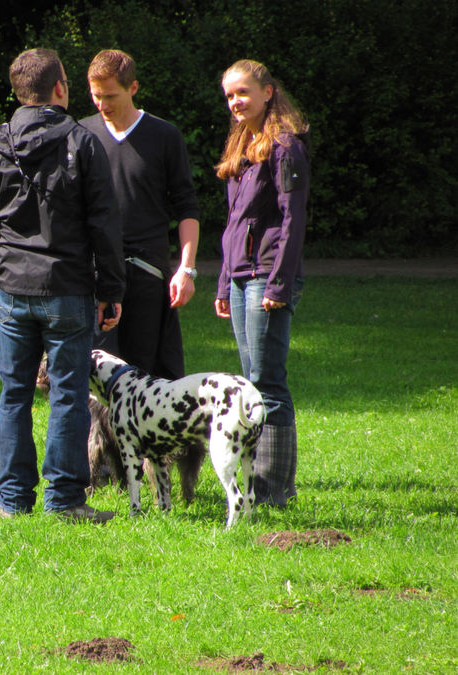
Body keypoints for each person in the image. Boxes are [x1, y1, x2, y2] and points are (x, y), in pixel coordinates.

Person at [0, 48, 126, 522]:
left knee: (15, 393)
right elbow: (104, 224)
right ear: (59, 88)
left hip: (14, 287)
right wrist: (111, 290)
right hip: (68, 287)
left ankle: (13, 502)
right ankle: (66, 501)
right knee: (68, 394)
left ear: (19, 92)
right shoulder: (81, 141)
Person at [214, 59, 310, 506]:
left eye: (243, 93)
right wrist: (221, 283)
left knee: (267, 382)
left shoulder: (285, 146)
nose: (235, 101)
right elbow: (234, 221)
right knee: (251, 385)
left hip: (266, 276)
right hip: (239, 277)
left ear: (267, 92)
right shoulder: (243, 144)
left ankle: (275, 493)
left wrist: (278, 285)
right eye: (230, 95)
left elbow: (292, 220)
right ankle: (257, 486)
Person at [81, 49, 201, 380]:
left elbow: (186, 206)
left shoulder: (164, 136)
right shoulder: (80, 135)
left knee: (151, 380)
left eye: (110, 96)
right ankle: (97, 436)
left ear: (133, 88)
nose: (102, 105)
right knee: (97, 382)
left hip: (149, 275)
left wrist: (186, 270)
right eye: (95, 96)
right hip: (96, 276)